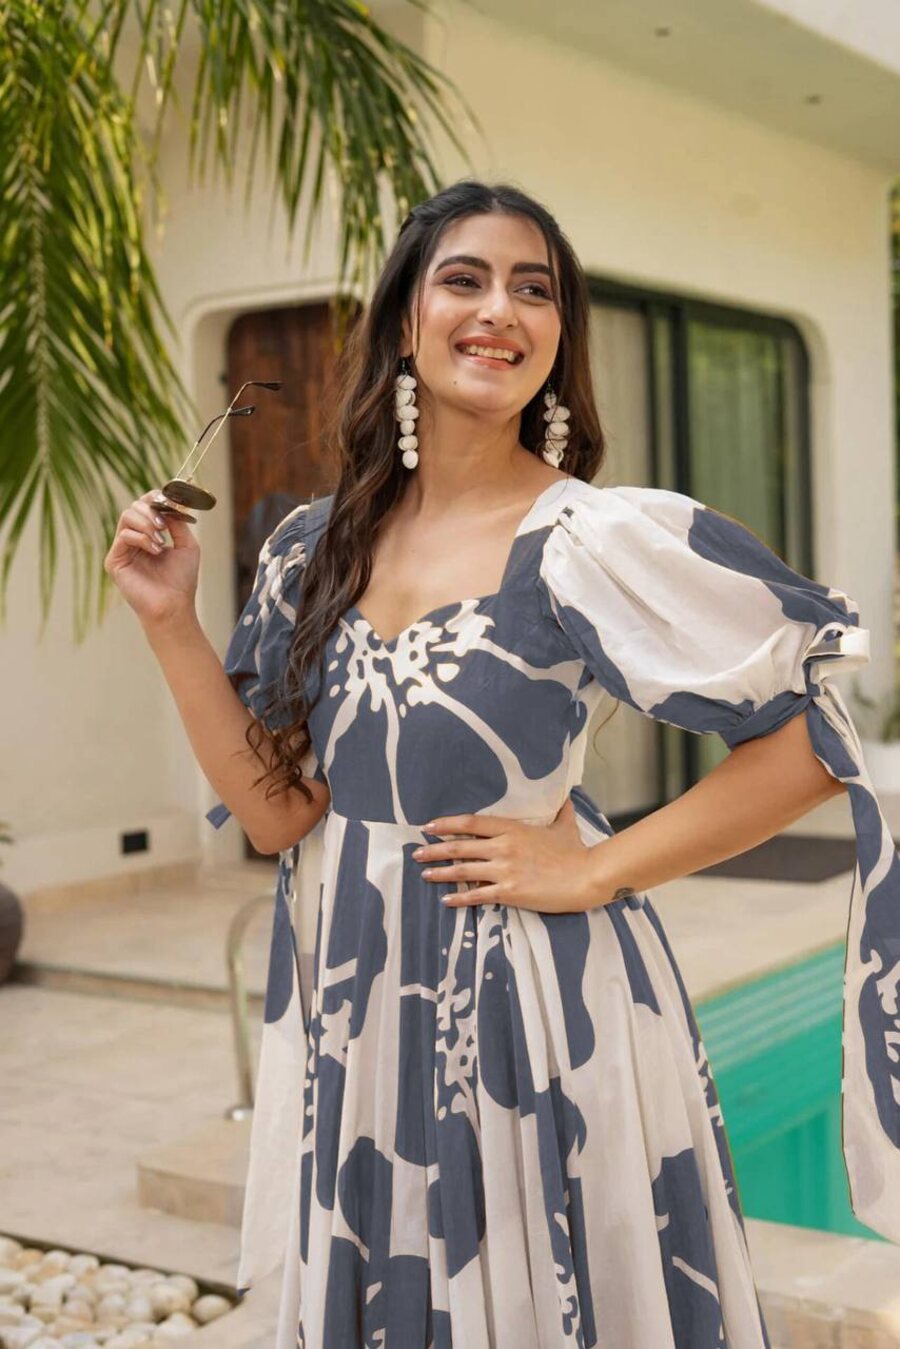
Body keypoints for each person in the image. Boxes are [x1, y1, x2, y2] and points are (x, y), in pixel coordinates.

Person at [105, 180, 899, 1349]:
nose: (499, 311)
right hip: (357, 1002)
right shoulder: (308, 547)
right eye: (464, 279)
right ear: (405, 321)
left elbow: (811, 741)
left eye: (535, 289)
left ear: (558, 337)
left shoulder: (590, 538)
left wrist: (596, 867)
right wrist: (170, 620)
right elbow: (278, 816)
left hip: (534, 1002)